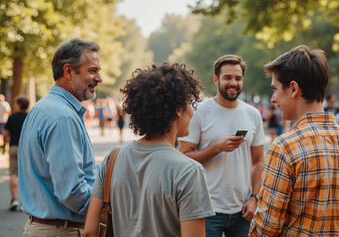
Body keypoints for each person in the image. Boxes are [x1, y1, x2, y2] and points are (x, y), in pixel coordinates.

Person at [249, 45, 339, 236]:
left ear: (293, 88)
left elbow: (267, 227)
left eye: (275, 89)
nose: (273, 99)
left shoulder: (284, 148)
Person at [84, 63, 215, 236]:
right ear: (177, 110)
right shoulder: (189, 171)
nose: (192, 112)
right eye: (189, 104)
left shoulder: (113, 159)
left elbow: (90, 231)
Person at [18, 38, 102, 236]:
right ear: (68, 71)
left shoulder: (44, 108)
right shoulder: (62, 116)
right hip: (61, 231)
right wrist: (108, 208)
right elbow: (72, 191)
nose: (99, 78)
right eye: (92, 71)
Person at [179, 54, 265, 237]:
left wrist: (254, 198)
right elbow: (184, 156)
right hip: (207, 209)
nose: (233, 82)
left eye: (238, 78)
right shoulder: (199, 112)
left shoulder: (253, 114)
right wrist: (217, 148)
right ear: (216, 79)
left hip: (243, 210)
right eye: (227, 77)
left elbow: (258, 161)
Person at [3, 96, 29, 211]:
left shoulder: (12, 117)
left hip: (14, 146)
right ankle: (27, 202)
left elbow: (4, 133)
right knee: (27, 175)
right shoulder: (30, 116)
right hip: (27, 149)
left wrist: (4, 146)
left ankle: (14, 199)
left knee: (14, 173)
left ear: (19, 105)